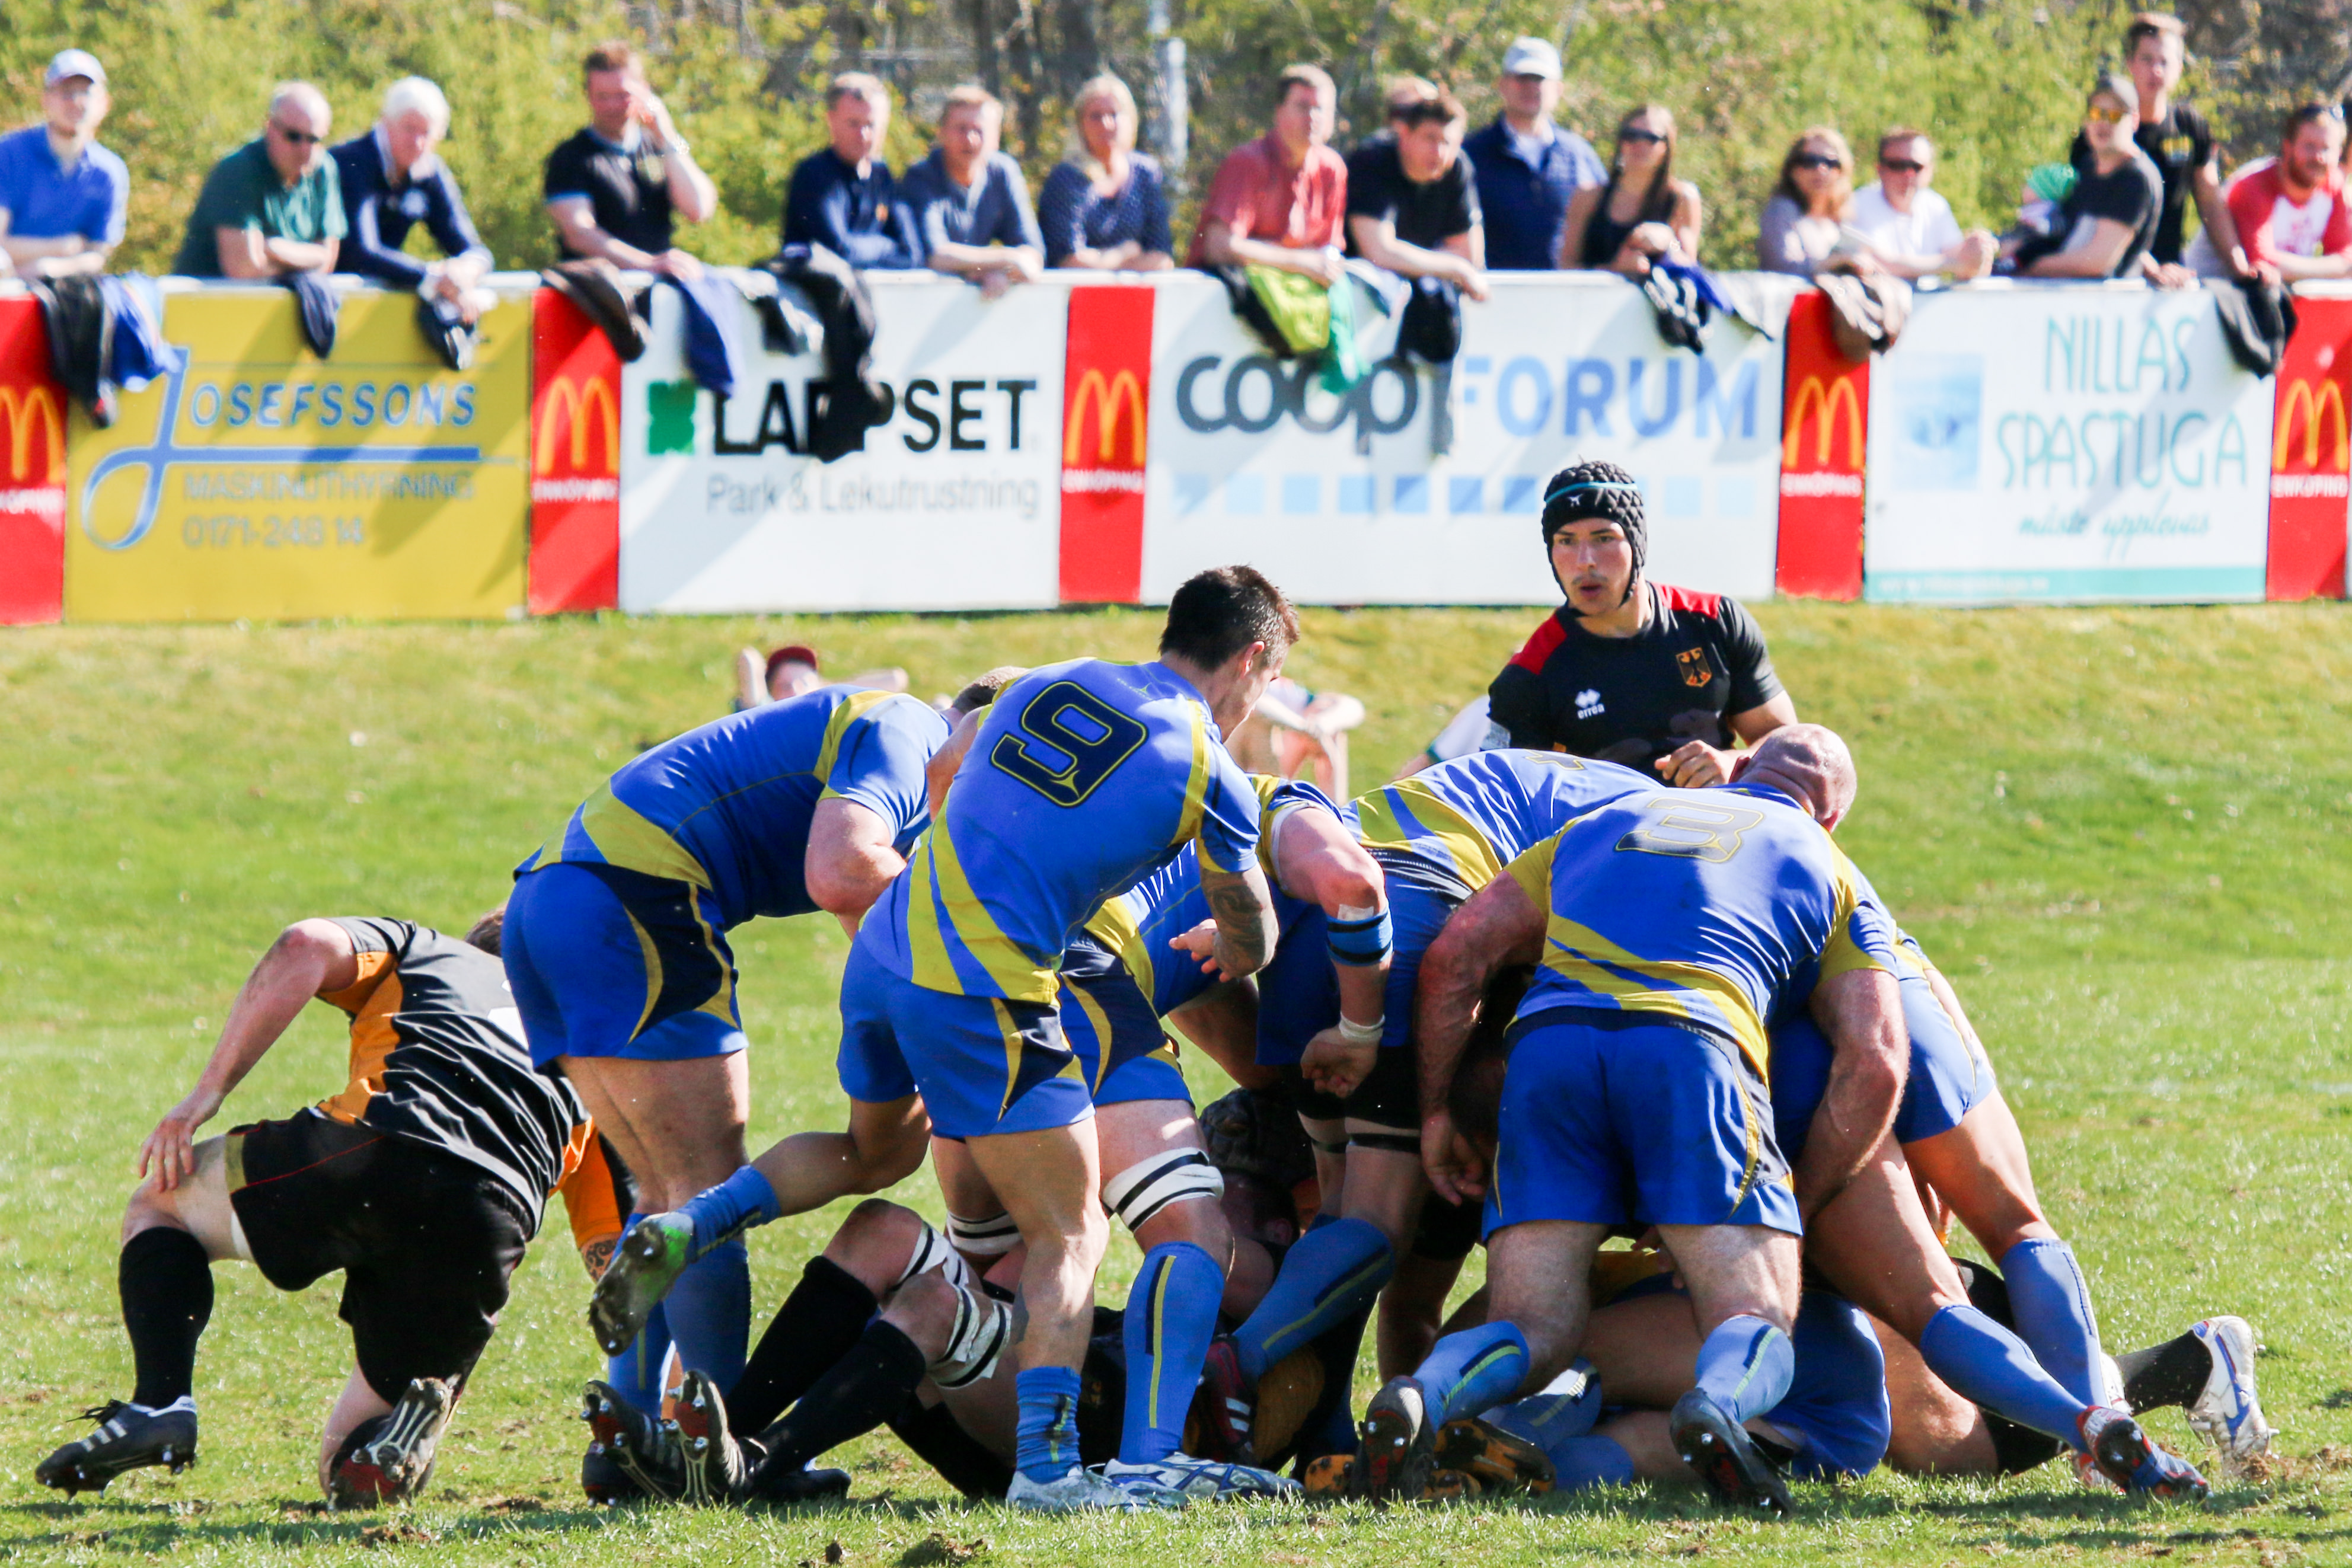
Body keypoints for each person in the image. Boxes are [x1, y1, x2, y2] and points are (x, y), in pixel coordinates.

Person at [829, 567, 1292, 1512]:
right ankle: (1129, 1460)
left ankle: (780, 1412)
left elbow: (949, 761)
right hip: (1042, 987)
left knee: (986, 1243)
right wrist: (1245, 944)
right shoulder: (1213, 769)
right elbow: (1250, 928)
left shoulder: (1052, 677)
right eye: (1269, 680)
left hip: (916, 962)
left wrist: (972, 867)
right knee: (1171, 1222)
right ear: (1251, 659)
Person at [1380, 726, 1910, 1514]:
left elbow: (1458, 953)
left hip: (1549, 1051)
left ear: (1737, 767)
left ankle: (1423, 1391)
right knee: (1755, 1312)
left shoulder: (1603, 821)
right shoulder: (1824, 859)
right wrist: (1798, 1203)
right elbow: (1878, 1057)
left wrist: (1432, 1109)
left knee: (1532, 1325)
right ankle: (1718, 1404)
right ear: (1832, 815)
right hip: (1691, 1049)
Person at [502, 676, 1007, 1454]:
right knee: (706, 1190)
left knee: (665, 1191)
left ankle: (629, 1441)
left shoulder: (886, 735)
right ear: (979, 733)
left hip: (552, 897)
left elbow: (870, 915)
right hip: (637, 894)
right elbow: (845, 870)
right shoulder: (908, 732)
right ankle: (718, 1445)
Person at [36, 914, 625, 1505]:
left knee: (163, 1203)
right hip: (491, 1216)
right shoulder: (592, 1065)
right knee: (343, 1470)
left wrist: (206, 1095)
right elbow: (621, 1258)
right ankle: (393, 1439)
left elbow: (306, 942)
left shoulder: (429, 952)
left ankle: (160, 1402)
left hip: (380, 1145)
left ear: (479, 949)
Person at [1487, 461, 1796, 783]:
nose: (1584, 561)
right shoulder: (1530, 676)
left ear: (1637, 543)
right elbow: (1504, 795)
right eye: (1566, 541)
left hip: (1719, 815)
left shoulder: (1715, 622)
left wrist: (1735, 763)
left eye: (1603, 538)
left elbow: (1787, 742)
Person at [2067, 11, 2245, 281]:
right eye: (2147, 60)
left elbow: (2211, 204)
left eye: (2165, 61)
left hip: (2170, 274)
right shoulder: (2101, 132)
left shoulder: (2190, 126)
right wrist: (2149, 268)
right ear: (2130, 63)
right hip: (2115, 276)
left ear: (2180, 67)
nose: (2157, 70)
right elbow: (2090, 214)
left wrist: (2240, 267)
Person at [543, 40, 717, 279]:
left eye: (622, 95)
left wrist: (667, 136)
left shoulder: (658, 147)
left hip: (656, 291)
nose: (612, 106)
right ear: (588, 95)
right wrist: (648, 265)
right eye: (602, 96)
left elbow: (699, 209)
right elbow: (580, 234)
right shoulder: (571, 157)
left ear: (644, 91)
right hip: (597, 293)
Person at [331, 78, 494, 320]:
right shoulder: (351, 162)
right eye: (409, 129)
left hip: (374, 309)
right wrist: (432, 277)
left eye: (427, 133)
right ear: (385, 122)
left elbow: (472, 247)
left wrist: (465, 271)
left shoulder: (430, 170)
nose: (418, 143)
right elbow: (361, 252)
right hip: (331, 303)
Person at [1345, 91, 1488, 357]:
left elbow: (1471, 255)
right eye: (1430, 138)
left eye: (1447, 142)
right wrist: (1454, 268)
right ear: (1404, 134)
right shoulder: (1372, 161)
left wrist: (1416, 261)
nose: (1439, 152)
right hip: (1359, 314)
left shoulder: (1458, 168)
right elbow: (1377, 252)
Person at [1185, 65, 1348, 286]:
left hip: (1291, 292)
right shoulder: (1248, 162)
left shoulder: (1332, 168)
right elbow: (1220, 246)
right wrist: (1297, 262)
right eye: (1302, 107)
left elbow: (1328, 250)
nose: (1313, 117)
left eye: (1321, 109)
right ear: (1279, 112)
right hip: (1224, 293)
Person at [170, 82, 344, 279]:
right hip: (208, 296)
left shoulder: (324, 170)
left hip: (274, 296)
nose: (305, 150)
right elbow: (244, 269)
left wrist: (273, 248)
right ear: (269, 128)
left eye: (314, 139)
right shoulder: (237, 170)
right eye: (293, 136)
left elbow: (327, 260)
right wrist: (306, 263)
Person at [1461, 37, 1606, 272]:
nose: (1531, 87)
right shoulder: (1470, 154)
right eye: (1522, 78)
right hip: (1492, 288)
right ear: (1502, 85)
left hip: (1565, 290)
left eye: (1539, 79)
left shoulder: (1580, 155)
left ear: (1558, 89)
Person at [2013, 75, 2169, 283]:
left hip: (2107, 300)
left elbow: (2097, 262)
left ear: (2134, 121)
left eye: (2114, 115)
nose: (2103, 122)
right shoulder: (2088, 166)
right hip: (2064, 295)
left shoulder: (2136, 178)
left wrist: (2021, 268)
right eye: (2096, 113)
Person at [898, 86, 1045, 297]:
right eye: (961, 129)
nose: (970, 139)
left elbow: (1033, 251)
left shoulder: (1004, 172)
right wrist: (1006, 260)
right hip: (926, 299)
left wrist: (996, 272)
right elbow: (937, 255)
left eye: (980, 131)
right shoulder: (921, 177)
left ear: (996, 138)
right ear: (942, 133)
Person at [2186, 103, 2352, 282]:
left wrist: (2336, 269)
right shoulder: (2254, 184)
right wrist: (2331, 269)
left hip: (2276, 289)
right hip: (2210, 286)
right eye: (2309, 147)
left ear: (2339, 153)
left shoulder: (2334, 187)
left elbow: (2347, 258)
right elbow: (2261, 263)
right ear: (2288, 146)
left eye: (2326, 149)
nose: (2319, 158)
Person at [0, 49, 127, 280]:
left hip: (68, 292)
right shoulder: (9, 154)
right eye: (67, 93)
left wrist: (49, 269)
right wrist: (62, 247)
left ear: (105, 103)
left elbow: (98, 254)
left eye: (86, 93)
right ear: (46, 99)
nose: (77, 102)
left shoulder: (109, 172)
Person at [782, 73, 921, 270]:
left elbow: (911, 254)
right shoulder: (815, 175)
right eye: (853, 124)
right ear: (831, 120)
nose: (864, 135)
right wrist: (886, 246)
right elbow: (838, 251)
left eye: (871, 125)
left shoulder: (882, 175)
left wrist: (869, 249)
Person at [1038, 75, 1173, 271]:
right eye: (1096, 117)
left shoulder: (1146, 173)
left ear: (1130, 119)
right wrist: (1122, 255)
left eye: (1114, 114)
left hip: (1137, 290)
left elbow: (1162, 258)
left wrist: (1101, 261)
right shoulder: (1066, 179)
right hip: (1078, 289)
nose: (1107, 125)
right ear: (1080, 124)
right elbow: (1068, 260)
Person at [1558, 104, 1699, 276]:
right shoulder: (1588, 196)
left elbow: (1690, 270)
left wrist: (1669, 242)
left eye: (1651, 138)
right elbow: (1566, 267)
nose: (1639, 144)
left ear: (1667, 146)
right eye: (1631, 136)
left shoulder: (1682, 198)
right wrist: (1616, 270)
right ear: (1620, 143)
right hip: (1596, 293)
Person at [1849, 128, 1995, 280]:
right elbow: (1883, 264)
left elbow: (1964, 267)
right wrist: (1954, 263)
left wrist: (1979, 252)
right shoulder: (1856, 205)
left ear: (1930, 171)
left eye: (1916, 166)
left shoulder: (1936, 206)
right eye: (1897, 165)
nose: (1908, 174)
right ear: (1880, 170)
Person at [1757, 127, 1869, 277]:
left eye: (1831, 163)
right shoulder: (1782, 210)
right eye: (1810, 161)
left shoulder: (1839, 220)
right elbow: (1782, 267)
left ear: (1842, 171)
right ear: (1793, 170)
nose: (1821, 169)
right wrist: (1837, 261)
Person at [732, 643, 908, 711]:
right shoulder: (765, 717)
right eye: (785, 686)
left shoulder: (831, 714)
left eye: (803, 683)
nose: (795, 691)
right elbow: (748, 658)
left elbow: (895, 679)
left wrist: (826, 690)